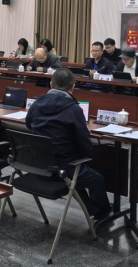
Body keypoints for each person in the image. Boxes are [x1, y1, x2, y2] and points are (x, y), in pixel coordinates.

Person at [26, 68, 112, 221]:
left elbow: (28, 124)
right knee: (96, 178)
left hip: (39, 165)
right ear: (73, 87)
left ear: (51, 84)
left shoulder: (37, 103)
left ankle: (93, 209)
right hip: (64, 168)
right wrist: (86, 159)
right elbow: (84, 142)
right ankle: (105, 212)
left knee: (76, 176)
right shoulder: (74, 109)